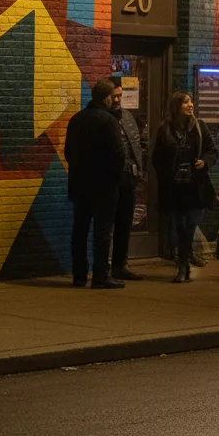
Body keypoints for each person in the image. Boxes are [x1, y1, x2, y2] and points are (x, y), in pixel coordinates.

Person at [64, 78, 127, 289]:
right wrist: (114, 179)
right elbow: (118, 155)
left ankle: (79, 276)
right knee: (102, 232)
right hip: (104, 187)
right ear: (106, 98)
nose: (116, 100)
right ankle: (101, 275)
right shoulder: (108, 121)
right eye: (114, 96)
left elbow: (68, 153)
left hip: (80, 185)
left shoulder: (77, 119)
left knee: (79, 231)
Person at [152, 92, 218, 283]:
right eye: (185, 102)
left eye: (191, 101)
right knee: (178, 224)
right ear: (176, 107)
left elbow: (211, 150)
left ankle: (183, 264)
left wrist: (204, 162)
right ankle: (182, 262)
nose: (190, 105)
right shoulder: (165, 129)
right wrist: (168, 174)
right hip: (174, 187)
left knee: (189, 224)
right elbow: (157, 158)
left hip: (194, 185)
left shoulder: (199, 127)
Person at [109, 79, 145, 281]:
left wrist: (139, 170)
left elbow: (136, 143)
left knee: (124, 222)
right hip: (110, 180)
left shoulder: (127, 116)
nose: (118, 100)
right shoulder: (102, 118)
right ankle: (105, 264)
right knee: (106, 224)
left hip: (128, 179)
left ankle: (120, 264)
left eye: (120, 96)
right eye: (115, 96)